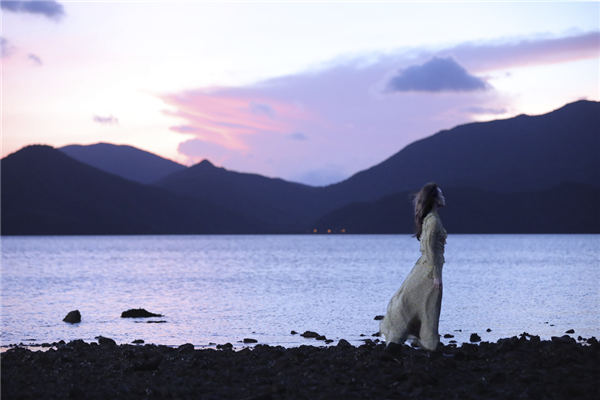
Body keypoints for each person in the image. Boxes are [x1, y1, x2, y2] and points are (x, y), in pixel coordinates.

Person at [380, 182, 447, 351]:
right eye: (440, 194)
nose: (443, 196)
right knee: (429, 308)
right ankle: (430, 348)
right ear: (434, 199)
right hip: (428, 271)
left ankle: (398, 344)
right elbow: (430, 249)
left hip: (424, 268)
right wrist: (436, 275)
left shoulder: (430, 219)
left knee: (417, 306)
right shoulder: (433, 221)